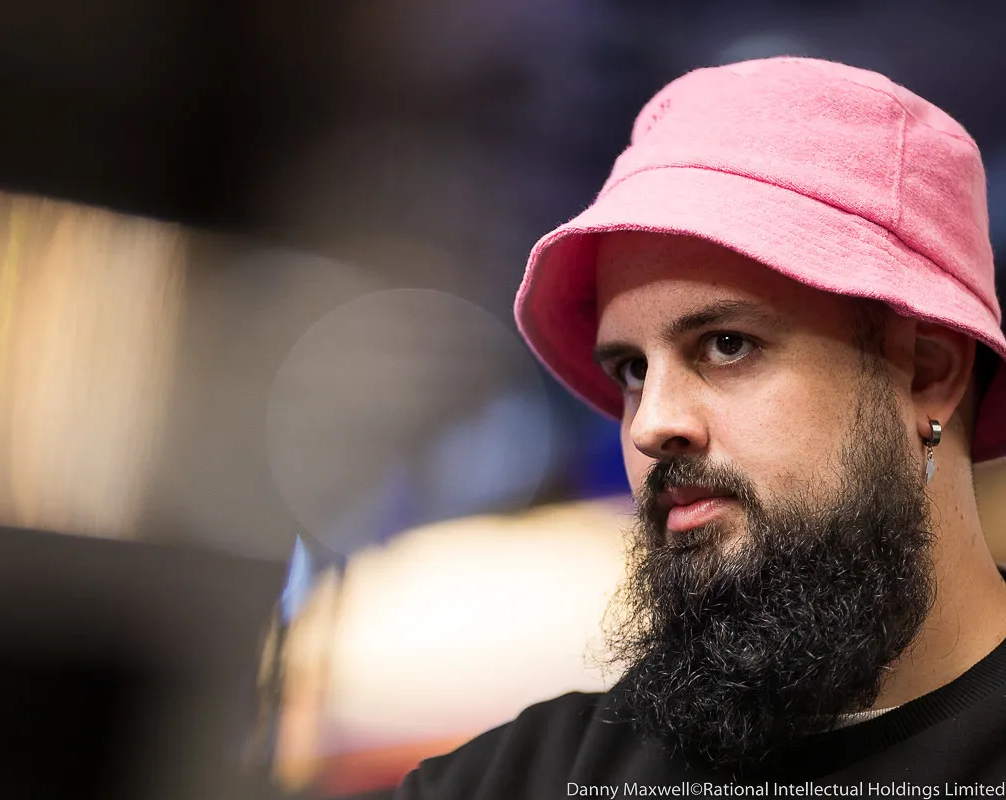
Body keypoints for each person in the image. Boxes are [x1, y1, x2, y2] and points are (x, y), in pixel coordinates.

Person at [395, 57, 1006, 796]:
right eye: (632, 369)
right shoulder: (516, 781)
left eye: (726, 344)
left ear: (928, 371)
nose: (650, 425)